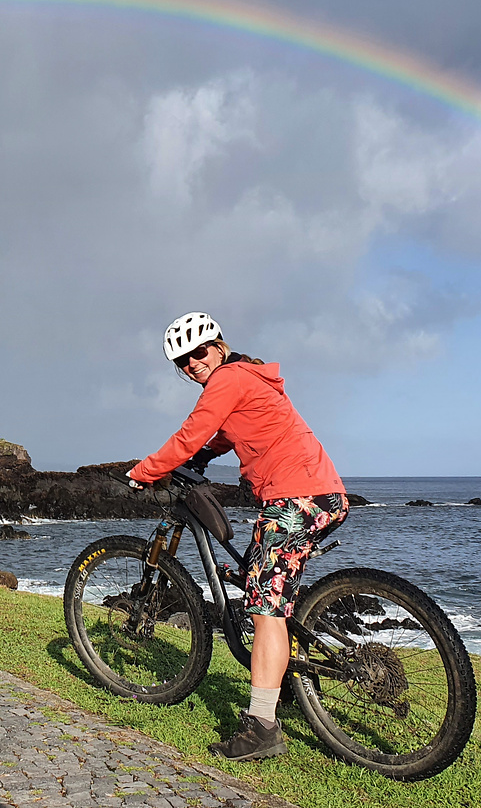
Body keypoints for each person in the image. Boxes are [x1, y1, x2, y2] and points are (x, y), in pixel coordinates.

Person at [127, 311, 348, 762]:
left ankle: (262, 728)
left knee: (264, 608)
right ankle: (283, 682)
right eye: (183, 361)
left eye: (198, 352)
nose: (193, 363)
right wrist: (205, 459)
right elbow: (225, 433)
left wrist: (144, 471)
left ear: (219, 344)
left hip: (296, 497)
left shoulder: (227, 379)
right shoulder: (249, 377)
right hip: (317, 492)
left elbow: (190, 434)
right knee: (265, 584)